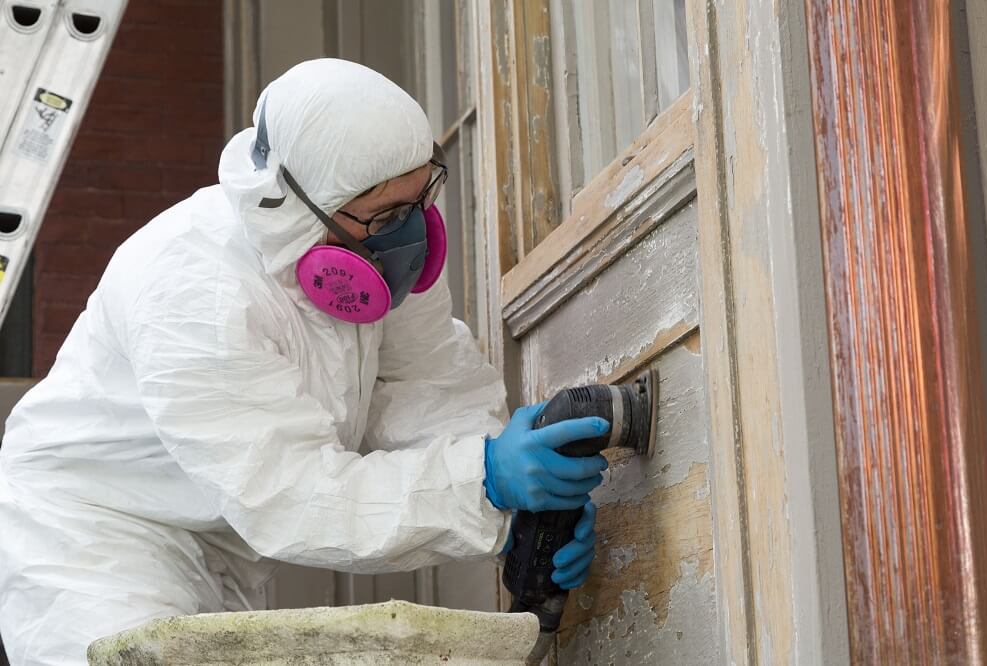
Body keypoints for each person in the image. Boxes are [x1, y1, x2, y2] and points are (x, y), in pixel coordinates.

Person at [0, 59, 608, 666]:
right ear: (305, 206)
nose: (411, 232)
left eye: (422, 196)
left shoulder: (372, 247)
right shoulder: (195, 292)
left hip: (223, 548)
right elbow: (289, 490)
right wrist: (483, 481)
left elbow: (425, 382)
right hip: (88, 543)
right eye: (385, 216)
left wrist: (512, 508)